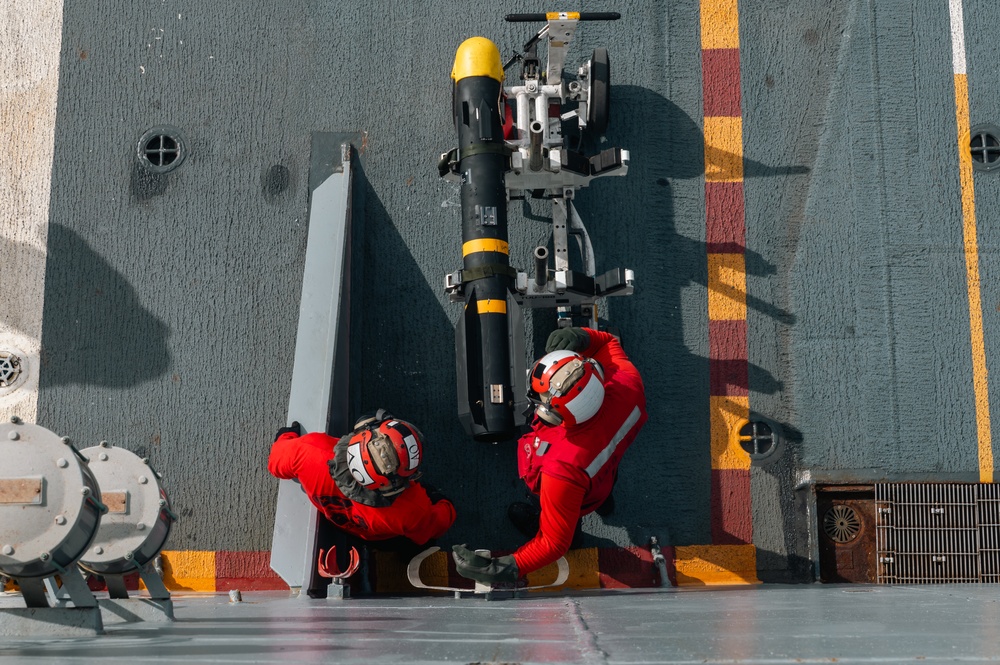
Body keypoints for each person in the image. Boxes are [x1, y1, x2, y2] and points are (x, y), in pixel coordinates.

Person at [451, 327, 647, 584]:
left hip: (571, 488)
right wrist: (583, 337)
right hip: (603, 473)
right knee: (604, 476)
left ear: (554, 415)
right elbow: (606, 343)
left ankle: (574, 533)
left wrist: (506, 567)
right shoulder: (627, 384)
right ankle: (603, 501)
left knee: (563, 521)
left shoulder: (561, 469)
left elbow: (554, 543)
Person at [268, 409, 456, 547]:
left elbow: (275, 463)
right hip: (375, 536)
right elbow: (437, 524)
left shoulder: (309, 451)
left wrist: (286, 437)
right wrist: (444, 503)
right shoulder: (413, 508)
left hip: (337, 521)